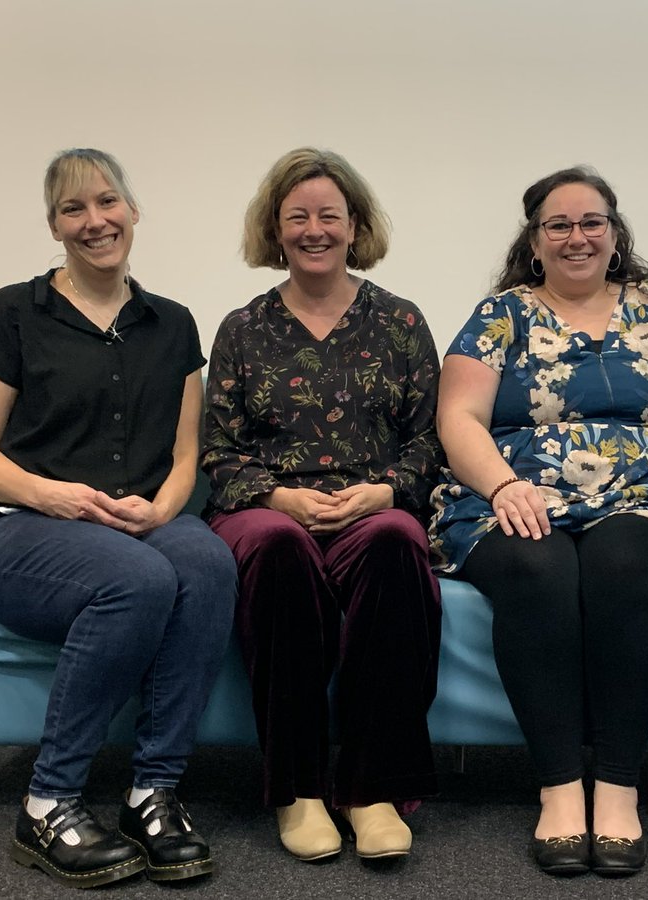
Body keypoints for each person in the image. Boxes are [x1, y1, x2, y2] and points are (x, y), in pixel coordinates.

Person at [0, 149, 236, 889]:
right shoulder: (13, 311)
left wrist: (163, 509)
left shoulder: (172, 324)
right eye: (73, 209)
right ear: (54, 224)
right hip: (20, 526)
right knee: (137, 579)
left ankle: (153, 794)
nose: (94, 221)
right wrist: (53, 495)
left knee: (205, 563)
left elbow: (185, 457)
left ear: (133, 212)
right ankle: (48, 802)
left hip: (133, 519)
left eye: (106, 202)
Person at [430, 167, 648, 877]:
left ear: (615, 235)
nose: (577, 237)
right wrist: (501, 485)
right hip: (514, 493)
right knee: (538, 564)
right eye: (559, 225)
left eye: (592, 222)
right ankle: (559, 788)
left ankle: (617, 787)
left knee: (628, 563)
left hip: (645, 496)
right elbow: (458, 416)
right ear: (535, 241)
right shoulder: (503, 313)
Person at [202, 148, 442, 863]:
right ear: (275, 230)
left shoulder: (399, 321)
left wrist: (385, 491)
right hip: (267, 509)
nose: (314, 229)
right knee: (278, 547)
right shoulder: (243, 328)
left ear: (355, 225)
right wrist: (278, 497)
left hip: (369, 504)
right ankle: (297, 789)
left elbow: (431, 438)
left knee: (399, 540)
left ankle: (373, 789)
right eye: (297, 216)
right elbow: (217, 449)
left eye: (328, 216)